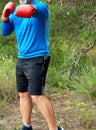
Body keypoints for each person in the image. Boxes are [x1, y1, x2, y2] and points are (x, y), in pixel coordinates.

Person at [1, 0, 64, 130]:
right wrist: (5, 17)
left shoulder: (41, 6)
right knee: (23, 93)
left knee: (36, 95)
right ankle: (27, 126)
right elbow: (5, 32)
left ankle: (54, 129)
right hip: (22, 57)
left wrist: (27, 9)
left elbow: (35, 11)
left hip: (38, 56)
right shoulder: (15, 11)